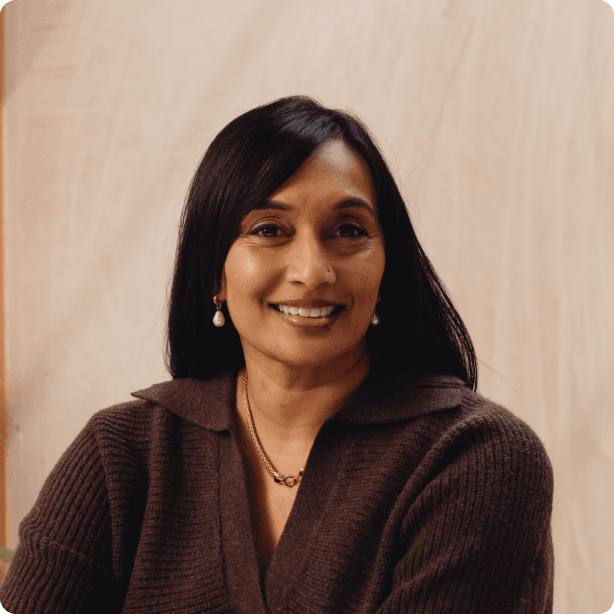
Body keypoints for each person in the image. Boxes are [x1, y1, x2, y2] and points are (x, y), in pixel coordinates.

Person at [0, 96, 554, 614]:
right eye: (269, 229)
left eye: (348, 230)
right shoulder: (120, 454)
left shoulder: (478, 458)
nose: (312, 271)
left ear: (388, 265)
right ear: (214, 272)